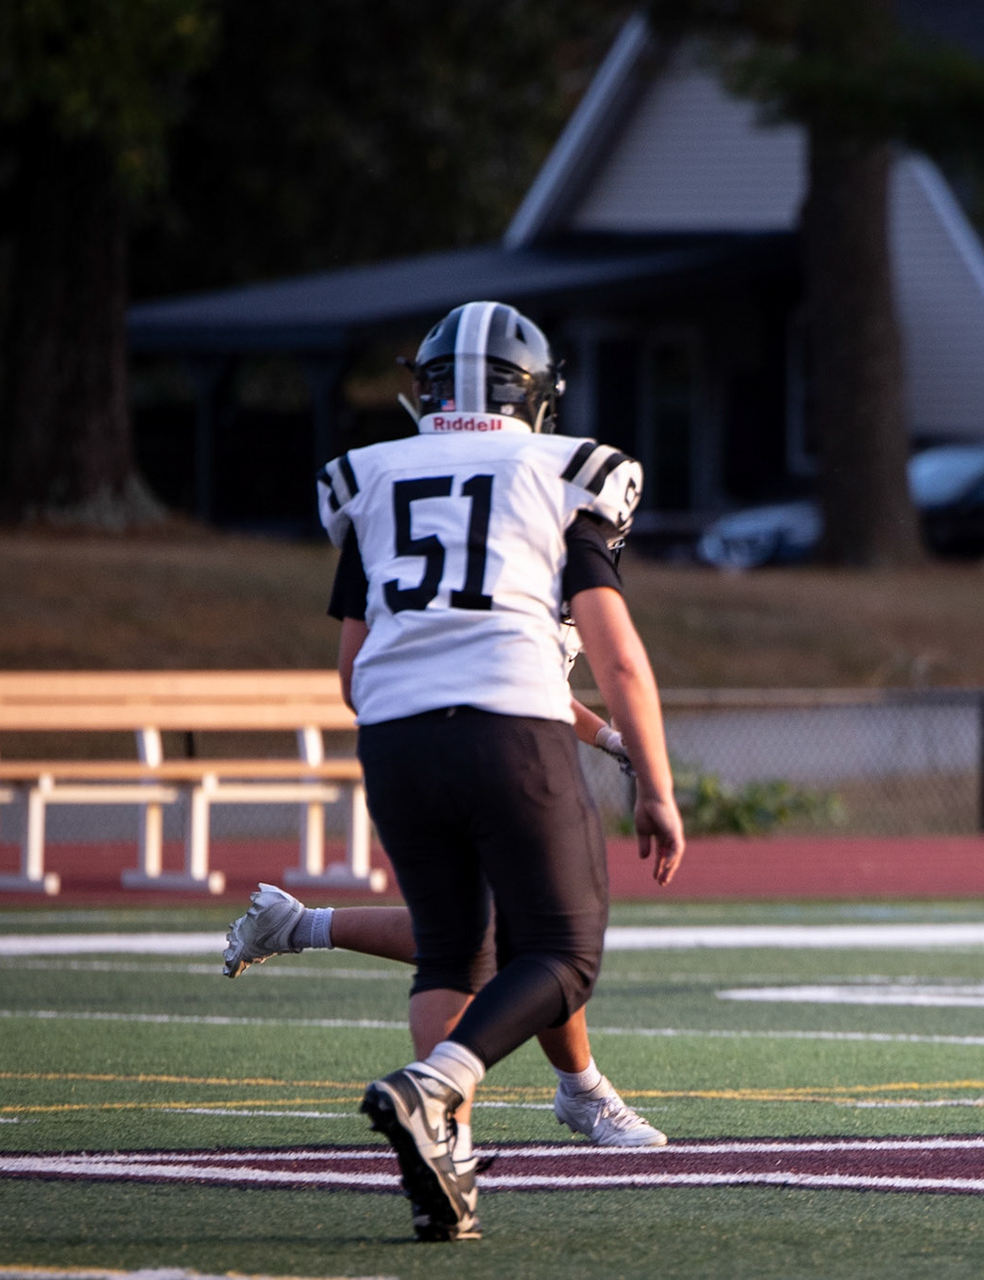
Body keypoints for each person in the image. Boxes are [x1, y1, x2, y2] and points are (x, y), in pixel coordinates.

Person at [316, 299, 685, 1241]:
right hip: (512, 727)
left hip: (395, 737)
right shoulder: (565, 472)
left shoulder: (370, 476)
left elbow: (354, 673)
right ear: (539, 396)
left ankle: (449, 1159)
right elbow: (620, 656)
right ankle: (436, 1087)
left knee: (450, 948)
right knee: (563, 953)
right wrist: (654, 780)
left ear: (429, 389)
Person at [217, 695, 663, 1151]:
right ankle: (517, 1095)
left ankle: (297, 926)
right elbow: (600, 667)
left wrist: (609, 737)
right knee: (540, 936)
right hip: (491, 748)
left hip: (413, 743)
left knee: (468, 934)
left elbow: (357, 675)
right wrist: (638, 768)